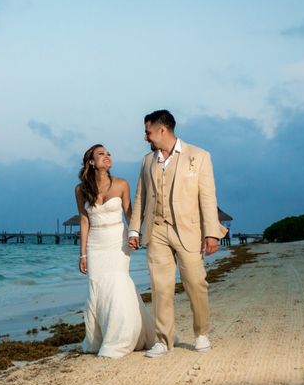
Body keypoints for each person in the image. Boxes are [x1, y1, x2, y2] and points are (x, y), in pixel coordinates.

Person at [128, 110, 227, 358]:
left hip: (188, 230)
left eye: (148, 131)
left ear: (163, 130)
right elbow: (140, 197)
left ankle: (202, 334)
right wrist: (134, 228)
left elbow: (207, 196)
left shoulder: (199, 156)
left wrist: (212, 233)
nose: (145, 137)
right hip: (156, 230)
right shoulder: (146, 161)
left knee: (196, 283)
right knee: (160, 287)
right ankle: (164, 340)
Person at [75, 144, 156, 358]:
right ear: (91, 162)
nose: (107, 156)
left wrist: (135, 233)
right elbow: (84, 221)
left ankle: (119, 340)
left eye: (108, 153)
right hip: (95, 244)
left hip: (116, 241)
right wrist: (82, 254)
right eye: (101, 154)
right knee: (98, 288)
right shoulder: (80, 189)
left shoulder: (121, 184)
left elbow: (129, 213)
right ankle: (98, 339)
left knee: (118, 285)